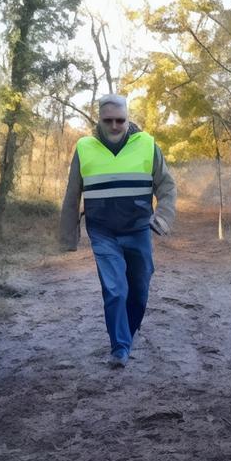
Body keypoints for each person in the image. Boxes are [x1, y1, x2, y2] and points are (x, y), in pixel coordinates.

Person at [59, 93, 177, 368]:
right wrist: (68, 237)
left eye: (120, 120)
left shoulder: (146, 145)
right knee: (115, 290)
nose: (114, 126)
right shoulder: (85, 147)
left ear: (128, 118)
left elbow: (167, 187)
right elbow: (72, 193)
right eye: (108, 120)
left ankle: (128, 333)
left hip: (138, 229)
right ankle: (120, 348)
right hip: (102, 232)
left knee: (139, 290)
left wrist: (162, 219)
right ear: (99, 120)